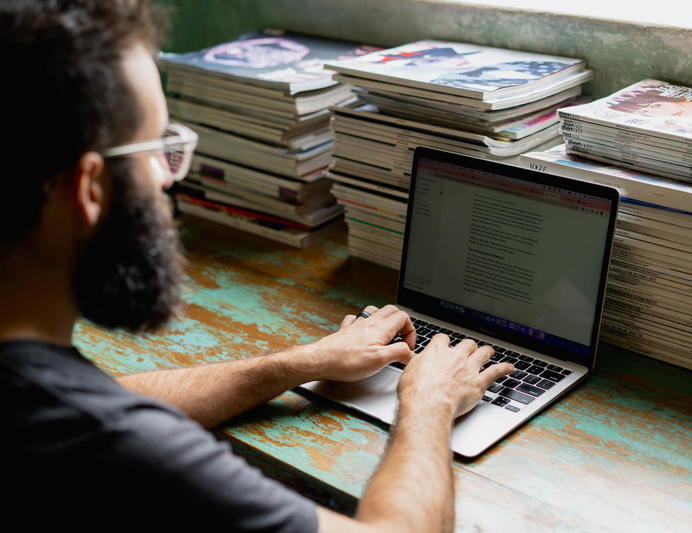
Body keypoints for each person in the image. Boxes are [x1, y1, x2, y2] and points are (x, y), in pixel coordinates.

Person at [0, 1, 513, 531]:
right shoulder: (107, 440)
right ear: (88, 189)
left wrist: (301, 362)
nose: (167, 179)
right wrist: (428, 403)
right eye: (157, 150)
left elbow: (107, 393)